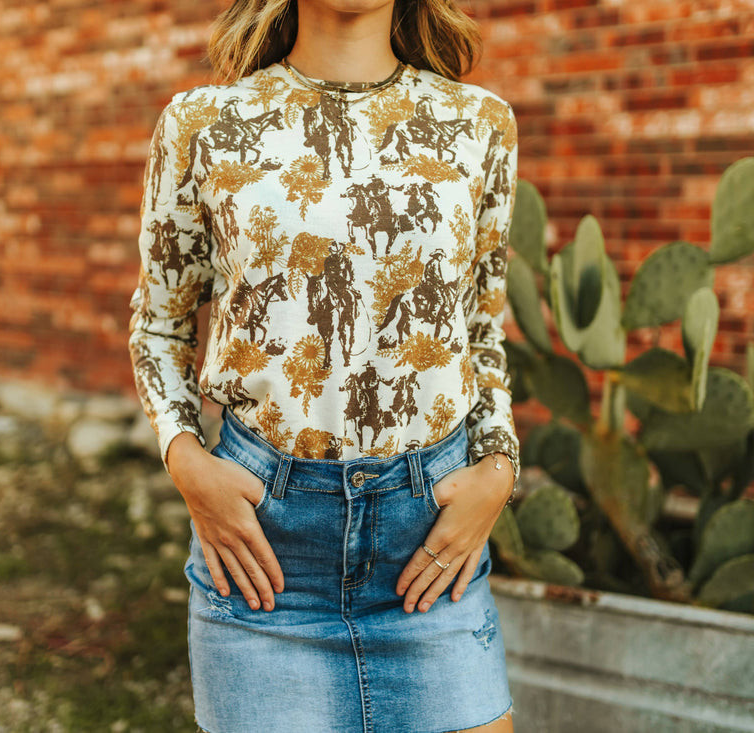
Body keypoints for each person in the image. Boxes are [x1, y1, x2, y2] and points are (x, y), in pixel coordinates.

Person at [129, 1, 521, 730]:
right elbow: (159, 324)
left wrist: (499, 468)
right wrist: (187, 463)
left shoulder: (480, 124)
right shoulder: (202, 124)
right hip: (264, 561)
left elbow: (480, 327)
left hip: (427, 557)